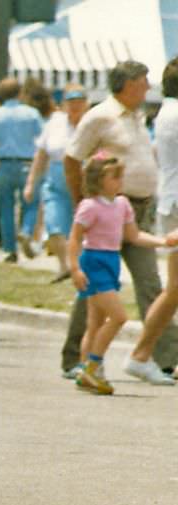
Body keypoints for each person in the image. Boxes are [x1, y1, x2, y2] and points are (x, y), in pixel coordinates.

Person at [61, 60, 178, 383]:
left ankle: (165, 359)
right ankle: (75, 358)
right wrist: (83, 203)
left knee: (151, 285)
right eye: (143, 81)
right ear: (127, 84)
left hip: (135, 211)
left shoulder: (138, 116)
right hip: (104, 213)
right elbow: (72, 158)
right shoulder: (101, 116)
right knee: (95, 289)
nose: (147, 87)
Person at [68, 153, 174, 395]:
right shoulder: (89, 206)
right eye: (113, 176)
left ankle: (87, 370)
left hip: (111, 260)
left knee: (95, 322)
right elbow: (74, 238)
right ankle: (93, 365)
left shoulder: (122, 204)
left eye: (120, 176)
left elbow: (134, 236)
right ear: (97, 179)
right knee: (118, 316)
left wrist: (163, 241)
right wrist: (74, 268)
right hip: (93, 261)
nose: (119, 181)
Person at [125, 57, 178, 385]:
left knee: (174, 290)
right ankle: (140, 354)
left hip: (170, 201)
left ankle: (142, 354)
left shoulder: (166, 113)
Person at [23, 84, 89, 283]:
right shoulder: (55, 122)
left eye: (79, 103)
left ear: (86, 104)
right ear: (63, 105)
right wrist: (31, 182)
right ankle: (64, 265)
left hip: (82, 178)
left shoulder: (90, 123)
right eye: (70, 103)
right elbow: (41, 154)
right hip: (56, 177)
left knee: (81, 225)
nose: (74, 107)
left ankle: (79, 266)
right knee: (54, 223)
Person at [0, 77, 44, 262]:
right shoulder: (31, 113)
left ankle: (10, 249)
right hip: (27, 161)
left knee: (6, 207)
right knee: (31, 202)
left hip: (3, 163)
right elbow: (42, 138)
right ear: (20, 93)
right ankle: (26, 230)